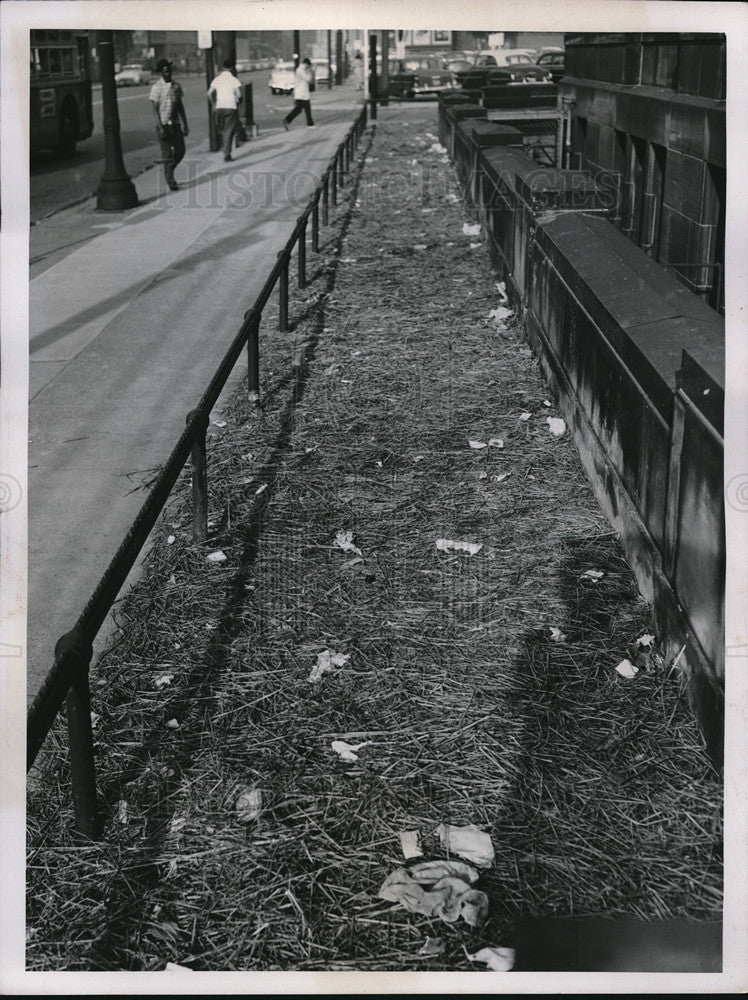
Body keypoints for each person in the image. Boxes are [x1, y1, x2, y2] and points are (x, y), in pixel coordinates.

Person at [149, 58, 189, 191]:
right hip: (164, 124)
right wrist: (159, 126)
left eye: (170, 71)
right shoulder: (156, 88)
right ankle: (170, 180)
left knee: (180, 150)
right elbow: (154, 109)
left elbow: (180, 106)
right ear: (161, 73)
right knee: (166, 154)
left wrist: (185, 123)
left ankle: (169, 170)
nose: (168, 73)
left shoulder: (176, 86)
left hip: (175, 123)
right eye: (166, 71)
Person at [208, 59, 243, 162]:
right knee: (229, 131)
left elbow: (209, 93)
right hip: (230, 107)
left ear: (223, 68)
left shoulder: (217, 79)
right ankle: (226, 154)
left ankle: (225, 149)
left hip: (219, 107)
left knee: (223, 130)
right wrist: (236, 99)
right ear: (231, 68)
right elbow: (239, 95)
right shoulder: (234, 79)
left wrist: (213, 104)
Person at [283, 58, 315, 130]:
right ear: (306, 64)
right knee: (307, 109)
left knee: (298, 109)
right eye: (309, 66)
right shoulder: (301, 71)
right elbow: (308, 79)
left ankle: (287, 120)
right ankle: (310, 124)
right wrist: (310, 72)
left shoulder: (300, 70)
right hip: (302, 94)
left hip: (301, 93)